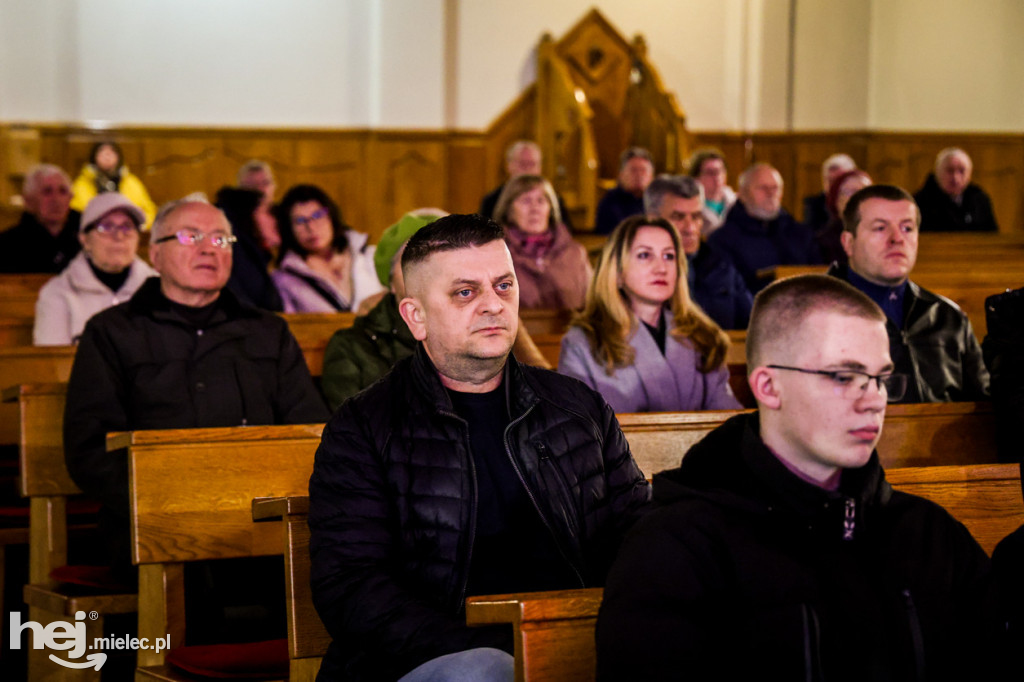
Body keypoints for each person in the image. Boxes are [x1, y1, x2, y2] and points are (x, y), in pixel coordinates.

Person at [596, 274, 996, 681]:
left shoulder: (932, 534)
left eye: (880, 378)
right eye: (844, 376)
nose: (874, 399)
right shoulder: (673, 548)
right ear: (769, 386)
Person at [308, 214, 650, 682]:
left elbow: (640, 539)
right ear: (416, 316)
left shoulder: (579, 409)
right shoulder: (364, 428)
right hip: (429, 660)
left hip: (573, 643)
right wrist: (506, 651)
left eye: (504, 286)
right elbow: (352, 587)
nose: (493, 305)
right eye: (465, 292)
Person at [64, 195, 328, 575]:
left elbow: (309, 430)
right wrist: (176, 505)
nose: (209, 249)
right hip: (153, 528)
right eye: (191, 237)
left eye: (221, 239)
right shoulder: (112, 333)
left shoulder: (268, 331)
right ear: (155, 255)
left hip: (263, 522)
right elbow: (89, 449)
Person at [559, 214, 740, 413]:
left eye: (669, 256)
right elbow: (576, 431)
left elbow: (727, 419)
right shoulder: (583, 343)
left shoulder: (704, 336)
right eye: (645, 255)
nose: (661, 268)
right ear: (617, 271)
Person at [828, 184, 990, 403]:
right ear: (848, 242)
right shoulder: (817, 313)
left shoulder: (947, 316)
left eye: (907, 228)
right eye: (880, 228)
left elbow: (983, 405)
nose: (897, 238)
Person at [33, 192, 156, 345]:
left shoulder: (160, 289)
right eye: (106, 227)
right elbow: (54, 363)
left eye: (127, 227)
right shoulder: (57, 294)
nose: (118, 236)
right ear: (84, 239)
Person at [645, 174, 752, 329]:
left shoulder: (722, 267)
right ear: (652, 219)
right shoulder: (634, 273)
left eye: (696, 217)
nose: (690, 228)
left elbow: (752, 325)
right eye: (678, 217)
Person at [708, 162, 819, 294]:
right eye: (763, 188)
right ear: (742, 194)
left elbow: (820, 277)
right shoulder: (722, 240)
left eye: (775, 188)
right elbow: (729, 292)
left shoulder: (801, 235)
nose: (770, 193)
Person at [271, 184, 384, 312]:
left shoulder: (367, 255)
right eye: (300, 221)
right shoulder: (285, 279)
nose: (311, 227)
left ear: (331, 216)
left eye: (318, 215)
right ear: (289, 229)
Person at [492, 174, 591, 309]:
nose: (535, 209)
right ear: (508, 210)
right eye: (526, 201)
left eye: (541, 201)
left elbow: (593, 306)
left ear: (550, 209)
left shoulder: (575, 253)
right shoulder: (495, 254)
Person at [0, 164, 81, 273]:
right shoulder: (7, 246)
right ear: (28, 201)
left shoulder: (88, 240)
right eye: (47, 191)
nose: (56, 200)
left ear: (71, 198)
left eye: (62, 191)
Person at [215, 186, 284, 311]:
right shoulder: (231, 246)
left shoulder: (251, 252)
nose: (277, 220)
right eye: (270, 212)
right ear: (250, 210)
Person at [478, 140, 573, 230]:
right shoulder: (491, 200)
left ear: (540, 167)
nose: (527, 170)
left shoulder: (553, 199)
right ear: (508, 166)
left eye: (532, 164)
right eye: (522, 164)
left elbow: (565, 232)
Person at [70, 141, 158, 228]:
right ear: (94, 156)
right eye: (101, 150)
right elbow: (74, 215)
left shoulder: (131, 183)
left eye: (112, 151)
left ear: (118, 156)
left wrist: (138, 226)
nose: (107, 154)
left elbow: (150, 213)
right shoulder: (82, 184)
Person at [914, 148, 998, 232]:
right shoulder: (921, 201)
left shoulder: (979, 200)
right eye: (950, 171)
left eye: (962, 171)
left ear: (969, 175)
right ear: (937, 172)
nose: (955, 178)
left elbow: (992, 236)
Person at [817, 168, 872, 265]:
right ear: (837, 200)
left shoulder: (885, 234)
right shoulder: (822, 243)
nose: (859, 198)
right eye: (851, 192)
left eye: (865, 192)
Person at [594, 147, 655, 235]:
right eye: (633, 170)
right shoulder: (609, 203)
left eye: (643, 170)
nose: (639, 175)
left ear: (651, 176)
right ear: (621, 175)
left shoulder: (658, 202)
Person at [802, 153, 857, 235]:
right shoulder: (814, 205)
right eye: (830, 181)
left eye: (838, 181)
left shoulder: (862, 202)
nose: (833, 186)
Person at [687, 148, 736, 234]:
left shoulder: (736, 202)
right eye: (710, 172)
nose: (717, 177)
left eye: (720, 171)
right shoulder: (690, 206)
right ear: (696, 178)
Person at [236, 159, 281, 252]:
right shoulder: (233, 222)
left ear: (274, 185)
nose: (260, 189)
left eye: (265, 183)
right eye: (253, 185)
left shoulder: (285, 215)